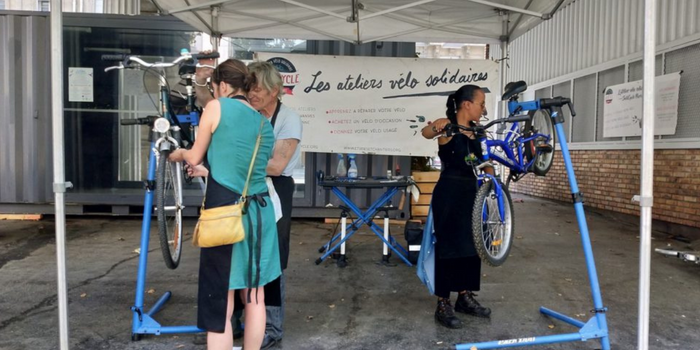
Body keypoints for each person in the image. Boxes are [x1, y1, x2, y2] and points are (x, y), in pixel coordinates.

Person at [169, 59, 281, 350]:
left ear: (221, 85)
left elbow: (194, 156)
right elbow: (245, 169)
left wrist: (178, 154)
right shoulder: (262, 122)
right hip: (260, 214)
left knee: (221, 298)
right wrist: (210, 170)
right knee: (255, 296)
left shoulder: (216, 107)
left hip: (226, 216)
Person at [195, 58, 303, 349]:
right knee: (244, 274)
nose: (254, 94)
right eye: (251, 87)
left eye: (261, 89)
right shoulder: (252, 116)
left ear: (276, 91)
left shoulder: (285, 119)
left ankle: (274, 326)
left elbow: (277, 165)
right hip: (248, 196)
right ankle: (235, 327)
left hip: (270, 195)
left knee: (268, 266)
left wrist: (229, 163)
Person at [421, 84, 492, 329]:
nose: (483, 109)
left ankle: (464, 296)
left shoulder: (479, 132)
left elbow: (485, 162)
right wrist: (436, 125)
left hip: (473, 193)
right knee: (449, 247)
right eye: (481, 103)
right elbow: (425, 133)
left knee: (472, 246)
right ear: (467, 104)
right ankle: (443, 302)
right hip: (450, 194)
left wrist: (493, 183)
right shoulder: (448, 127)